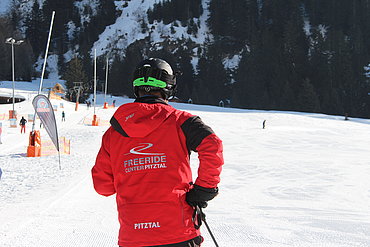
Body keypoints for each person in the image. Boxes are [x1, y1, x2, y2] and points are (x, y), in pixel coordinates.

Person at [92, 58, 224, 247]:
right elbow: (212, 145)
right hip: (178, 232)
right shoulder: (182, 121)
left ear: (136, 87)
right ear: (169, 87)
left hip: (133, 236)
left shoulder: (113, 133)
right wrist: (204, 189)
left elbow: (102, 187)